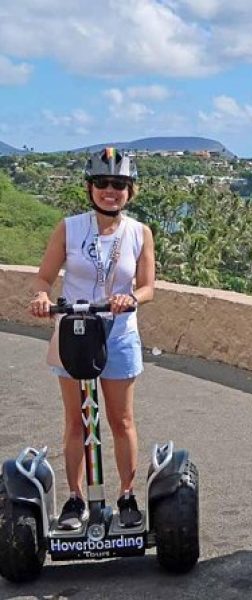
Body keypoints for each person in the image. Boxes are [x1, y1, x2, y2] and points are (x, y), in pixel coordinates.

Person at [29, 148, 155, 529]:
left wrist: (129, 297)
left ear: (130, 191)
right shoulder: (69, 228)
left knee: (121, 420)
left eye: (119, 184)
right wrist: (40, 297)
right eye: (102, 183)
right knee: (78, 422)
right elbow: (43, 277)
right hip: (75, 332)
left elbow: (149, 286)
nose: (110, 190)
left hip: (117, 334)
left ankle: (127, 496)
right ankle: (75, 500)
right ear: (90, 188)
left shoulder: (139, 233)